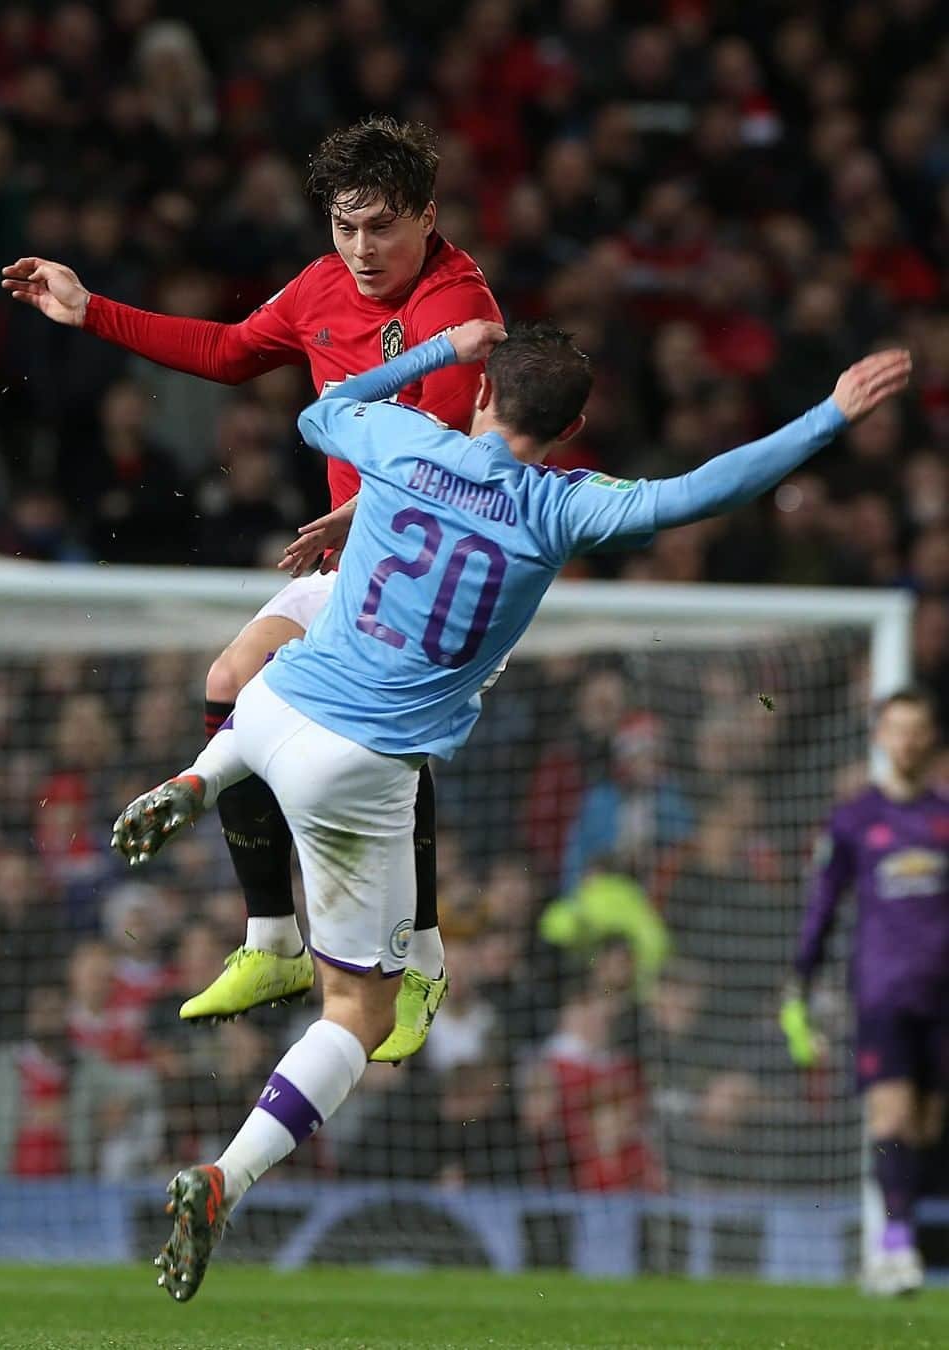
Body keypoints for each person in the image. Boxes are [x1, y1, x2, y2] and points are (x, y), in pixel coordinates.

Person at [110, 319, 909, 1302]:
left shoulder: (409, 441)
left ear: (483, 396)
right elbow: (705, 492)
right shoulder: (564, 507)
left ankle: (200, 777)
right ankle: (225, 1176)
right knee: (357, 1009)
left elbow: (319, 413)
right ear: (572, 428)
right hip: (358, 765)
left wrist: (436, 354)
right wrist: (828, 413)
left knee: (298, 678)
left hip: (269, 702)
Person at [1, 116, 502, 1059]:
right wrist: (89, 309)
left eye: (382, 227)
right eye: (344, 227)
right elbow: (231, 352)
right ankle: (272, 939)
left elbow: (455, 464)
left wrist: (363, 514)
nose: (360, 250)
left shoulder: (456, 309)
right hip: (357, 562)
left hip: (438, 574)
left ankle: (422, 959)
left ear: (428, 217)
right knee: (228, 682)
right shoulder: (321, 285)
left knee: (377, 743)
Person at [781, 688, 948, 1296]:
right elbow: (824, 903)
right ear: (878, 737)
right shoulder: (855, 818)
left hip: (942, 995)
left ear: (929, 738)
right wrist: (802, 976)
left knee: (926, 1129)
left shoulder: (944, 816)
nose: (905, 740)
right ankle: (895, 1247)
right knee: (892, 1114)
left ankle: (898, 1233)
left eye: (916, 729)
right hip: (881, 991)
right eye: (895, 729)